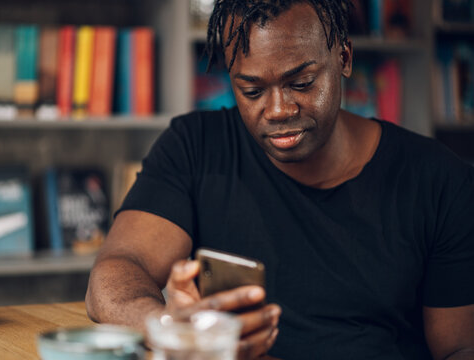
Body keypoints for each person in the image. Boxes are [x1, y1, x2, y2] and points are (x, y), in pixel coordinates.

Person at [86, 0, 474, 358]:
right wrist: (168, 327)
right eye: (252, 90)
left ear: (344, 57)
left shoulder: (440, 181)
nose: (278, 110)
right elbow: (115, 272)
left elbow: (459, 349)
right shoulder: (195, 147)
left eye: (301, 83)